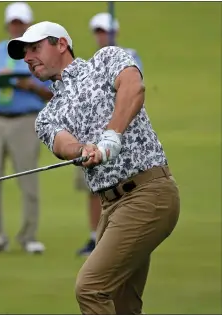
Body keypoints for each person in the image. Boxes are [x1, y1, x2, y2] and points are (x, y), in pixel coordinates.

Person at [7, 21, 180, 314]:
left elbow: (133, 87)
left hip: (149, 193)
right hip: (111, 209)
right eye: (25, 53)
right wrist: (82, 149)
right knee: (121, 303)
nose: (27, 58)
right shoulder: (47, 115)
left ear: (61, 44)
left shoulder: (106, 59)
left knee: (91, 287)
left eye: (35, 48)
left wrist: (112, 134)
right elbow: (63, 144)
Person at [0, 3, 53, 255]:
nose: (17, 27)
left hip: (26, 121)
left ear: (29, 25)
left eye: (21, 23)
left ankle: (29, 236)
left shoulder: (40, 54)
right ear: (8, 25)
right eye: (13, 23)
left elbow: (52, 92)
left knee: (28, 179)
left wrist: (31, 86)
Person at [75, 12, 144, 256]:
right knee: (95, 188)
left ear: (116, 32)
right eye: (98, 31)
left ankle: (124, 236)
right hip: (94, 135)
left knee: (126, 185)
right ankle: (96, 237)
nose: (102, 36)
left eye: (106, 31)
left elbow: (133, 88)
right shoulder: (89, 61)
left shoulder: (129, 56)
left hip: (123, 133)